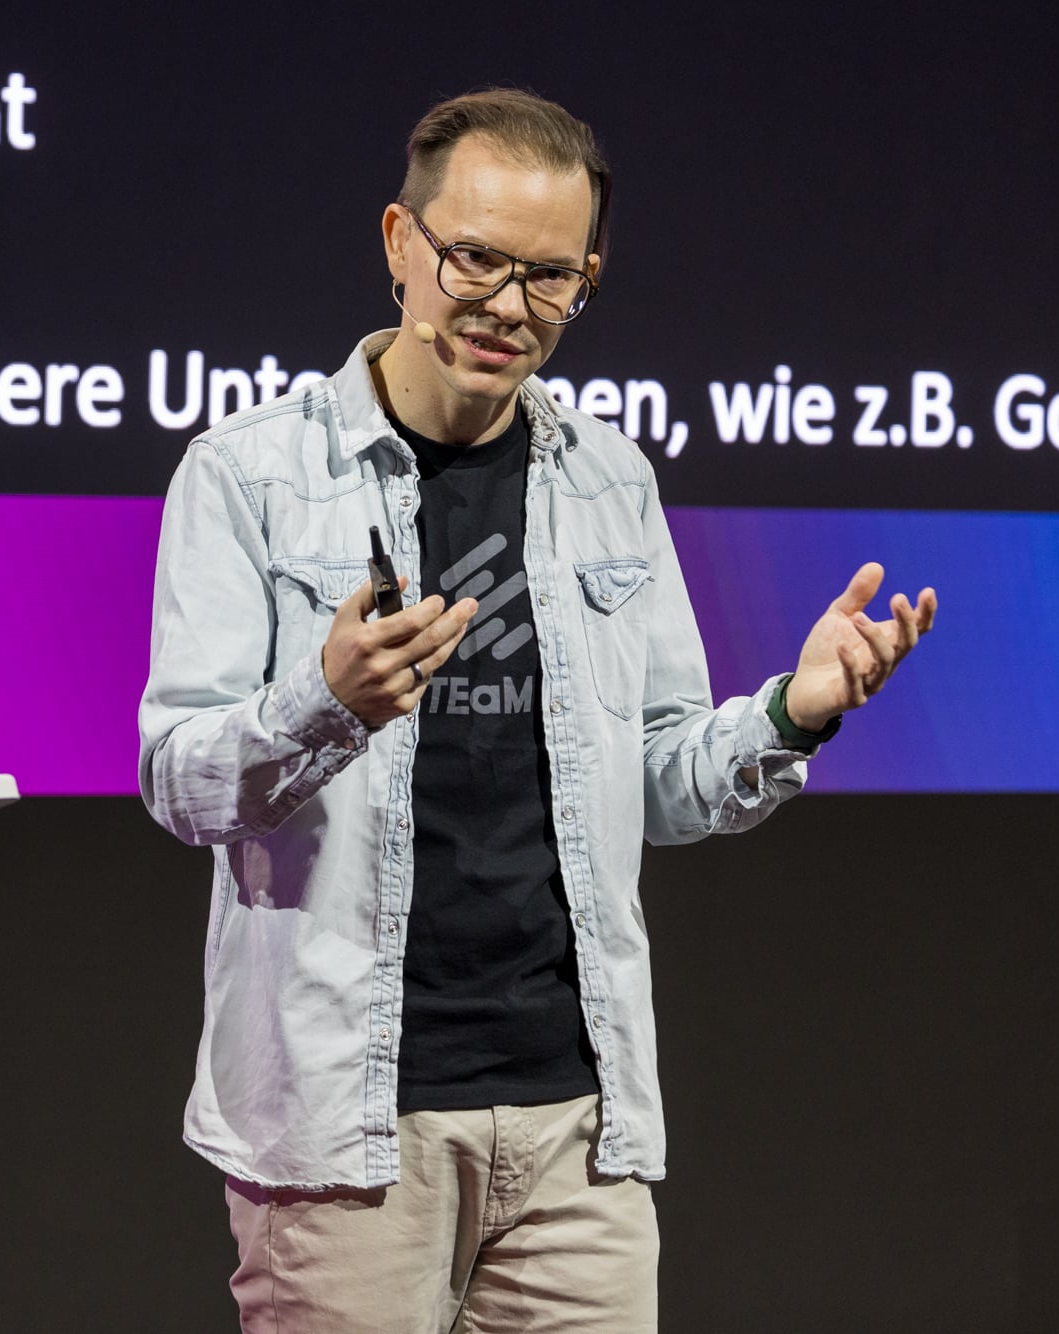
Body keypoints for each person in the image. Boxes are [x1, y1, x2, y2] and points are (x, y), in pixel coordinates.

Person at [137, 88, 937, 1333]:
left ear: (585, 280)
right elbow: (179, 779)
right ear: (400, 242)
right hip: (347, 1131)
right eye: (475, 258)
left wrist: (792, 709)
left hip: (579, 1126)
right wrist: (323, 704)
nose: (508, 304)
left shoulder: (611, 477)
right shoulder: (247, 475)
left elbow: (665, 779)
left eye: (549, 276)